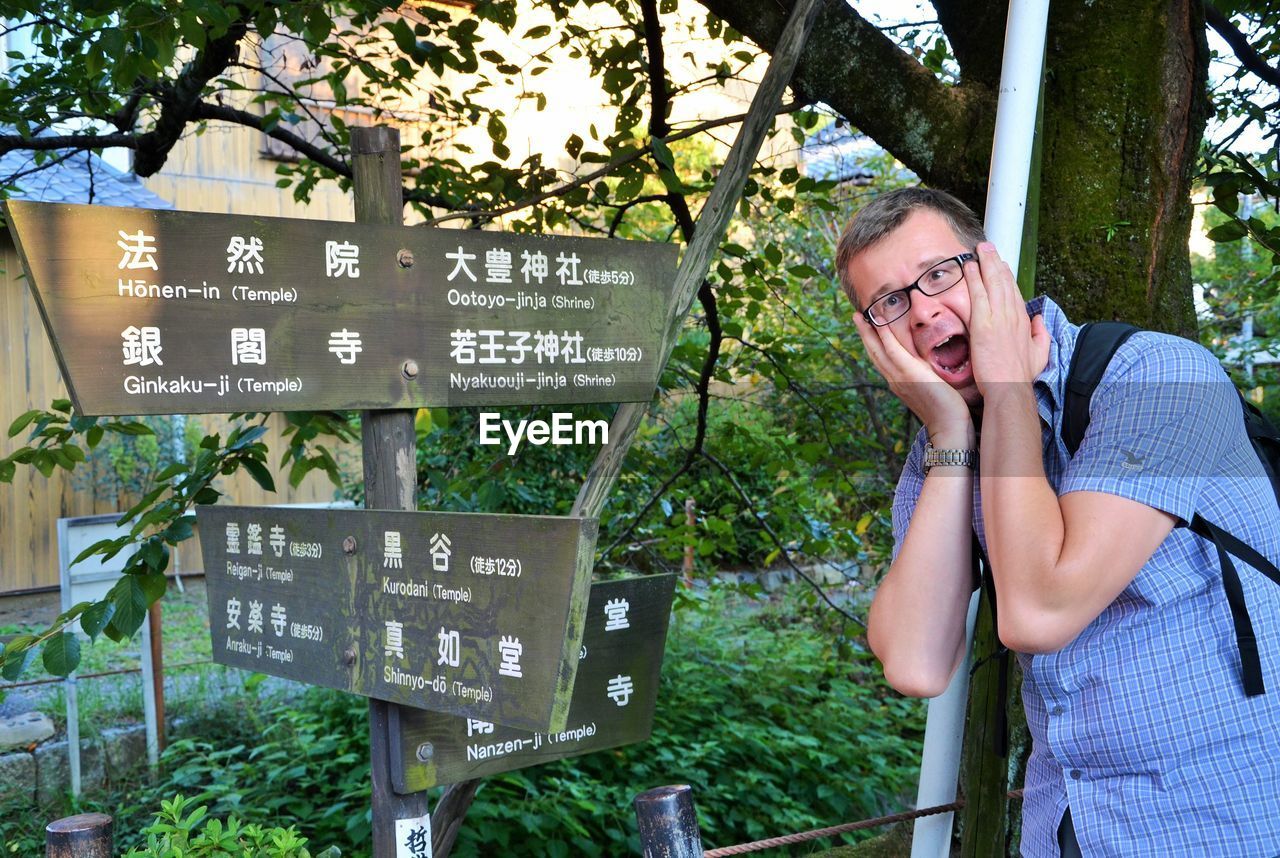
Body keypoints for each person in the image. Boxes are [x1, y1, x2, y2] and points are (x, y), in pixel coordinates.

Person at [836, 187, 1280, 857]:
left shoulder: (1158, 376)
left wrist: (1009, 386)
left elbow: (1040, 614)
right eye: (890, 302)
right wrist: (953, 430)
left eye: (938, 274)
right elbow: (915, 661)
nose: (924, 312)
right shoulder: (949, 439)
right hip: (1070, 826)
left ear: (993, 271)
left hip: (1218, 817)